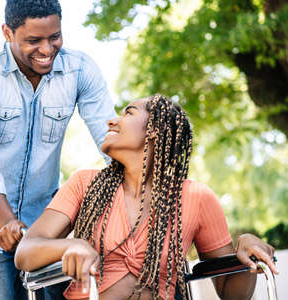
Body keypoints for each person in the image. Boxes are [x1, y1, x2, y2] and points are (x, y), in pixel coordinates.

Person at [15, 94, 278, 300]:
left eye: (128, 112)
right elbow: (26, 252)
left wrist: (248, 251)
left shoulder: (195, 197)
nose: (112, 120)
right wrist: (72, 246)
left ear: (154, 130)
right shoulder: (85, 183)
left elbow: (233, 294)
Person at [0, 0, 116, 299]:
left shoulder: (79, 69)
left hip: (47, 226)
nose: (46, 49)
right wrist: (7, 222)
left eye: (54, 37)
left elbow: (111, 140)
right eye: (33, 40)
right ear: (7, 32)